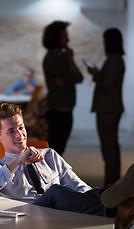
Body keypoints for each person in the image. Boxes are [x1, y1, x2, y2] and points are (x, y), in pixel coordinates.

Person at [0, 103, 134, 229]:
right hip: (29, 215)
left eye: (21, 127)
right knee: (55, 192)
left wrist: (98, 197)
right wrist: (18, 161)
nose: (20, 135)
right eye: (11, 131)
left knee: (74, 191)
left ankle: (116, 200)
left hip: (62, 211)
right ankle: (120, 210)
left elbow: (76, 185)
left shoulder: (48, 155)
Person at [85, 28, 125, 186]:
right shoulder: (116, 60)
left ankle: (112, 183)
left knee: (109, 149)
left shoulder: (114, 60)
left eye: (105, 41)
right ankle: (112, 182)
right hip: (110, 108)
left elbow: (107, 84)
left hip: (108, 109)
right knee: (111, 147)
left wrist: (95, 74)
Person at [42, 21, 83, 155]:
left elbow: (78, 78)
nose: (68, 39)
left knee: (60, 147)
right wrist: (70, 64)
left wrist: (70, 61)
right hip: (57, 109)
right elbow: (70, 77)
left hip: (67, 107)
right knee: (55, 148)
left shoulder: (65, 56)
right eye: (65, 36)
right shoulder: (51, 58)